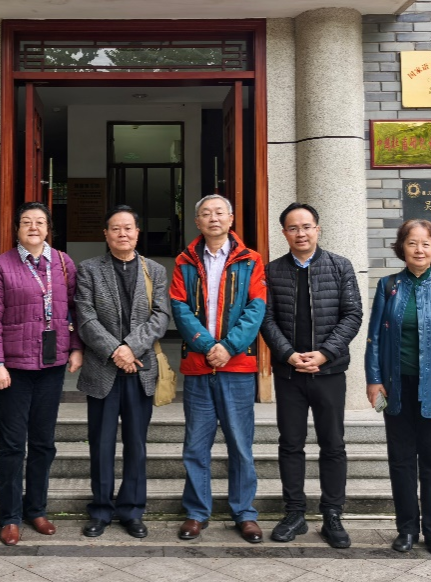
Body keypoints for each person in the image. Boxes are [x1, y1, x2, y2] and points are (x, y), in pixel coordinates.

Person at [365, 219, 431, 560]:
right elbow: (374, 337)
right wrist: (373, 379)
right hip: (397, 386)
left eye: (425, 243)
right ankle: (407, 530)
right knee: (400, 461)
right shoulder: (388, 286)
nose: (419, 249)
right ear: (402, 247)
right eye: (412, 243)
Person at [0, 201, 84, 546]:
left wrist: (76, 347)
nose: (33, 227)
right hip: (14, 369)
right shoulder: (1, 266)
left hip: (51, 366)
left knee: (43, 442)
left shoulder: (64, 264)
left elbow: (76, 310)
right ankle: (9, 516)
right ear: (17, 229)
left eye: (39, 222)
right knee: (12, 445)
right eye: (26, 222)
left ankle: (36, 509)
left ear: (48, 228)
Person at [260, 203, 363, 548]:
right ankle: (295, 513)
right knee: (290, 444)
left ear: (317, 229)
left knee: (332, 444)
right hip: (289, 374)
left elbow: (352, 315)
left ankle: (332, 514)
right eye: (293, 228)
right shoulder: (272, 271)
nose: (300, 233)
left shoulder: (340, 266)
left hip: (329, 371)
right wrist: (288, 355)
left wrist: (325, 353)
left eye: (306, 226)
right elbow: (266, 318)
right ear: (284, 233)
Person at [171, 194, 267, 544]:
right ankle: (197, 512)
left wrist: (227, 347)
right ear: (197, 221)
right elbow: (179, 307)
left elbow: (256, 308)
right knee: (196, 446)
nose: (213, 218)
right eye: (206, 213)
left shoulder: (250, 260)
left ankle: (244, 513)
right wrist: (206, 345)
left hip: (237, 367)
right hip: (199, 367)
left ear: (230, 218)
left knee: (240, 445)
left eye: (219, 212)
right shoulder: (184, 261)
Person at [74, 205, 171, 540]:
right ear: (106, 234)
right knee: (101, 444)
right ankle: (101, 509)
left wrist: (131, 347)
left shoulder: (155, 271)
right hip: (103, 370)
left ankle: (132, 510)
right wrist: (116, 351)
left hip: (140, 370)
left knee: (136, 444)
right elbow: (85, 317)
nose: (122, 234)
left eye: (128, 228)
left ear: (137, 232)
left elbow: (161, 316)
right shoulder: (88, 270)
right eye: (115, 228)